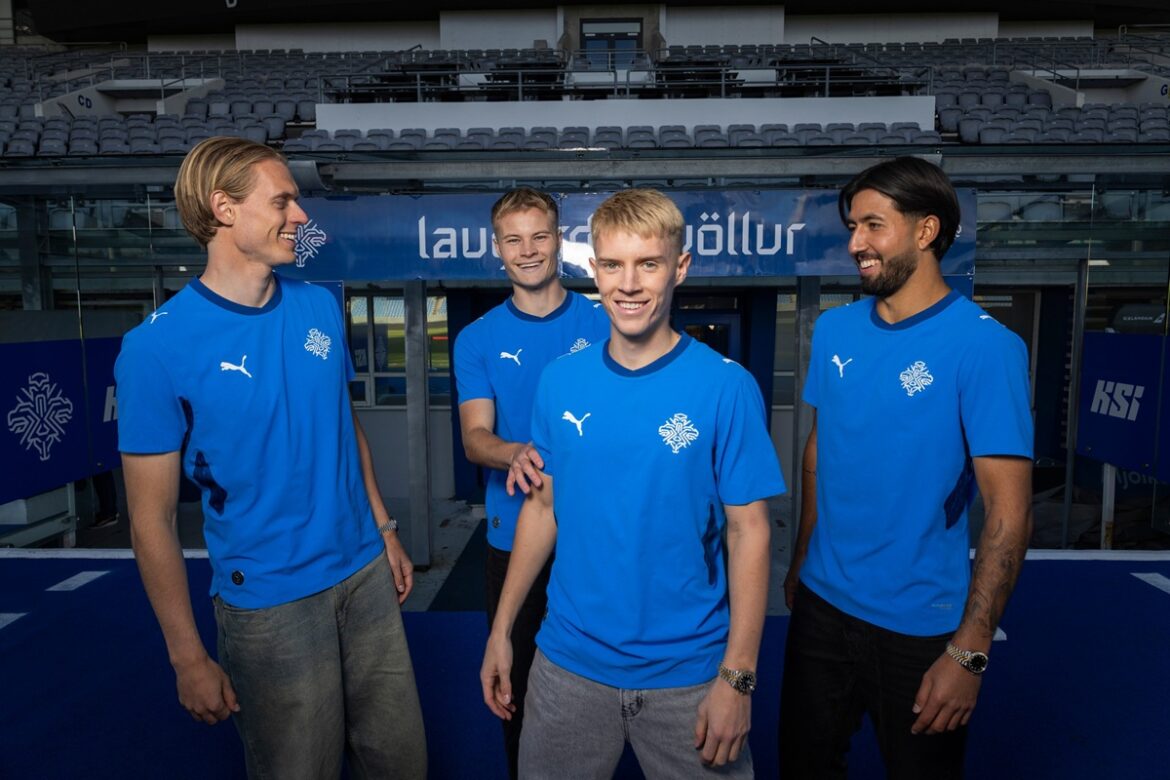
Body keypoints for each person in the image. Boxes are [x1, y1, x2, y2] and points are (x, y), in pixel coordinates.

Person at [115, 137, 426, 780]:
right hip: (269, 605)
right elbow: (150, 523)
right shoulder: (154, 348)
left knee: (399, 764)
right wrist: (187, 657)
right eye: (282, 200)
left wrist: (384, 527)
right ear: (223, 208)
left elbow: (345, 426)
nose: (301, 217)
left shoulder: (317, 303)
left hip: (364, 574)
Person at [480, 189, 785, 777]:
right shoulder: (560, 382)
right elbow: (543, 509)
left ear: (680, 268)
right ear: (593, 270)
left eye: (648, 263)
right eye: (613, 265)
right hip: (567, 667)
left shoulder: (727, 387)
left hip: (689, 676)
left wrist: (738, 678)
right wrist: (502, 630)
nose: (629, 283)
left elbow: (750, 533)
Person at [779, 157, 1034, 778]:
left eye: (873, 225)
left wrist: (970, 652)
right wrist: (801, 558)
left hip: (920, 628)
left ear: (925, 231)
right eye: (852, 227)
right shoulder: (836, 329)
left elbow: (1009, 510)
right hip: (820, 607)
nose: (855, 243)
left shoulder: (986, 347)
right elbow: (819, 449)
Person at [454, 186, 609, 778]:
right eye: (513, 239)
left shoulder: (603, 321)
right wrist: (514, 450)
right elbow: (475, 437)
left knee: (599, 685)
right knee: (515, 685)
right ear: (497, 248)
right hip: (512, 536)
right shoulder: (477, 338)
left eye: (539, 235)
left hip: (593, 537)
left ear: (558, 240)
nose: (528, 250)